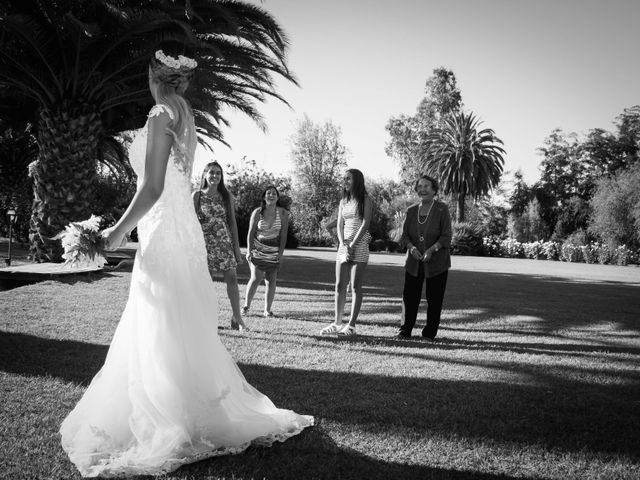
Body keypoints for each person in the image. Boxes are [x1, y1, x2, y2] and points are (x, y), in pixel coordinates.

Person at [59, 47, 312, 478]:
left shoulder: (160, 114)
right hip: (182, 230)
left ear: (155, 77)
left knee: (159, 319)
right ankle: (187, 411)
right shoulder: (186, 116)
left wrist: (114, 234)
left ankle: (168, 419)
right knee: (175, 321)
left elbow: (154, 187)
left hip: (163, 231)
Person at [397, 174, 452, 340]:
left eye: (426, 186)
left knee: (434, 299)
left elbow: (446, 236)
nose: (423, 189)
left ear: (434, 190)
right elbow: (404, 236)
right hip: (414, 262)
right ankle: (405, 330)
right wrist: (411, 247)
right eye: (420, 186)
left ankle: (429, 333)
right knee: (409, 298)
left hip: (437, 262)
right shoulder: (411, 210)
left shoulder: (442, 209)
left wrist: (432, 250)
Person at [194, 161, 247, 330]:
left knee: (232, 278)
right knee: (206, 282)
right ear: (204, 174)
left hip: (224, 242)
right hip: (203, 244)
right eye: (211, 172)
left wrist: (237, 248)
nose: (215, 176)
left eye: (218, 173)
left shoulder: (227, 196)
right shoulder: (196, 196)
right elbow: (190, 222)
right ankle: (207, 319)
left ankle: (237, 318)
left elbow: (232, 222)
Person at [321, 169, 372, 337]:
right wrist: (343, 243)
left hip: (360, 244)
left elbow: (365, 224)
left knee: (355, 286)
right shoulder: (343, 201)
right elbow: (340, 224)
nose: (345, 181)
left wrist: (353, 244)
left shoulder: (365, 199)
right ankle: (337, 323)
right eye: (344, 178)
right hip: (344, 246)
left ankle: (351, 325)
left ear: (357, 180)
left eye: (348, 178)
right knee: (339, 285)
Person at [243, 186, 289, 317]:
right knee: (256, 278)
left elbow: (284, 235)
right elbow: (250, 233)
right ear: (264, 197)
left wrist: (280, 254)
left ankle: (267, 310)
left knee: (271, 280)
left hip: (274, 250)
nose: (271, 195)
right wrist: (248, 251)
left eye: (274, 193)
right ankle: (246, 307)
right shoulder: (257, 212)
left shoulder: (283, 213)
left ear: (278, 197)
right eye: (268, 193)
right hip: (258, 249)